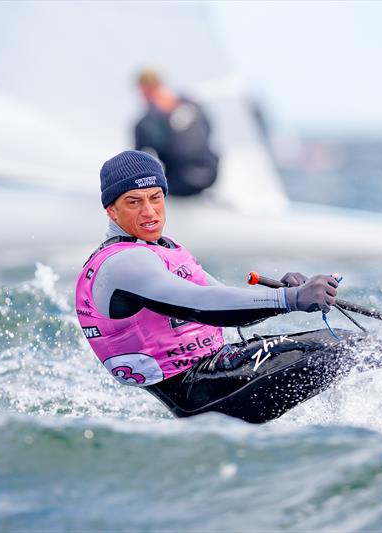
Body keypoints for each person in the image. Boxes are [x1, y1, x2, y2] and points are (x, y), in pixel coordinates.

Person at [75, 150, 362, 423]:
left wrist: (284, 291)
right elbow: (201, 304)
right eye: (134, 202)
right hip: (200, 392)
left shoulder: (162, 248)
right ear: (112, 210)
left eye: (155, 198)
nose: (149, 211)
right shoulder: (122, 263)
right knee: (354, 349)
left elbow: (226, 302)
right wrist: (290, 298)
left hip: (215, 376)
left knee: (351, 345)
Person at [134, 69, 218, 197]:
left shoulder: (146, 123)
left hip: (180, 182)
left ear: (144, 90)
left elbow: (139, 164)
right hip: (211, 173)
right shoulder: (192, 103)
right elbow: (209, 129)